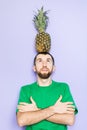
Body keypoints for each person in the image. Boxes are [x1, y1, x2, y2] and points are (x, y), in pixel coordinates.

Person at [16, 52, 78, 130]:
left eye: (48, 61)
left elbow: (70, 120)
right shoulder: (26, 90)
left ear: (54, 67)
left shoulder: (63, 88)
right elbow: (21, 120)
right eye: (40, 61)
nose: (44, 64)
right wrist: (54, 109)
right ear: (34, 68)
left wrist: (36, 110)